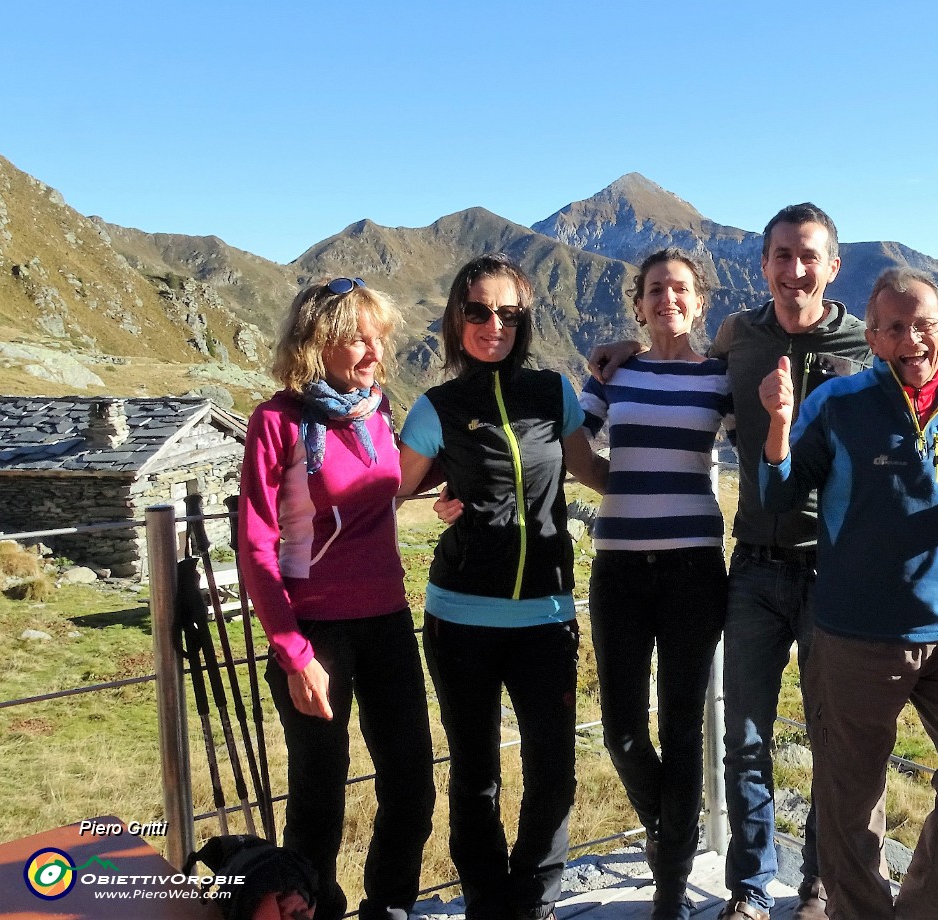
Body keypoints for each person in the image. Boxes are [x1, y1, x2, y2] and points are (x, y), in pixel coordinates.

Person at [590, 203, 938, 920]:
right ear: (765, 264)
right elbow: (680, 366)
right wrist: (627, 346)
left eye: (809, 255)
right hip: (753, 563)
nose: (794, 268)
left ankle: (816, 886)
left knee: (832, 742)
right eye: (781, 255)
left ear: (832, 267)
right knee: (744, 735)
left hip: (836, 572)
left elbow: (922, 373)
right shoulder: (738, 336)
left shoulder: (865, 340)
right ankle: (749, 887)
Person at [758, 266, 938, 920]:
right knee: (851, 803)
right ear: (874, 338)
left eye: (923, 325)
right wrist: (777, 420)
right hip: (854, 634)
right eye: (893, 328)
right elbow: (778, 495)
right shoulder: (840, 403)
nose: (911, 338)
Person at [398, 253, 605, 920]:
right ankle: (489, 904)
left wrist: (677, 478)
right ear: (457, 318)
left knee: (553, 770)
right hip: (459, 616)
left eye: (509, 313)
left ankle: (535, 898)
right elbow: (392, 487)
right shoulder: (437, 405)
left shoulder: (554, 392)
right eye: (478, 311)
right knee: (476, 776)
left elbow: (591, 472)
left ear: (525, 320)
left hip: (544, 613)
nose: (494, 325)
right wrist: (437, 494)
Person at [238, 276, 434, 920]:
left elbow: (385, 496)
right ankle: (313, 910)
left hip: (387, 619)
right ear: (316, 342)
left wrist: (448, 497)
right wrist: (293, 654)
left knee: (410, 779)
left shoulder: (375, 410)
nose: (374, 351)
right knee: (319, 796)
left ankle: (390, 905)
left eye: (379, 337)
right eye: (357, 338)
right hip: (315, 631)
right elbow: (256, 546)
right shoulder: (277, 421)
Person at [578, 249, 734, 920]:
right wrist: (626, 487)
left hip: (694, 571)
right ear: (637, 303)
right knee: (621, 731)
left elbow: (765, 439)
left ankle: (670, 888)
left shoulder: (721, 377)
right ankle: (676, 834)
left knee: (680, 725)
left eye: (680, 288)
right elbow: (577, 448)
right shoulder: (613, 372)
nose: (667, 296)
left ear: (699, 302)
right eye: (654, 289)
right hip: (619, 570)